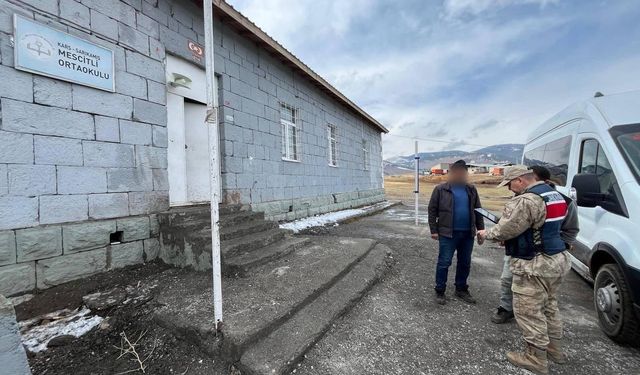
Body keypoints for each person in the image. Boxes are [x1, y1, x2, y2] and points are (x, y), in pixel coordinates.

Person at [477, 166, 572, 375]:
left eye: (510, 184)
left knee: (529, 311)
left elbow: (507, 228)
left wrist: (487, 233)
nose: (510, 189)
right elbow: (541, 227)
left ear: (520, 180)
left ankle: (535, 359)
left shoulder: (527, 200)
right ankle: (554, 350)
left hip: (534, 264)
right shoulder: (555, 195)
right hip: (557, 260)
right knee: (549, 306)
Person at [492, 166, 579, 324]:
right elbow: (515, 226)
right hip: (519, 252)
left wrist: (563, 244)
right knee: (507, 280)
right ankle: (506, 308)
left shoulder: (559, 201)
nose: (510, 189)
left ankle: (535, 337)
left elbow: (570, 229)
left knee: (532, 307)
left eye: (510, 184)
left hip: (536, 260)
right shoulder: (523, 197)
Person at [428, 160, 485, 305]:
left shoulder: (471, 189)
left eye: (463, 173)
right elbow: (432, 210)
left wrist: (481, 229)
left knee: (465, 262)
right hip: (448, 233)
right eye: (457, 172)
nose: (460, 175)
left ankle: (461, 289)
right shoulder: (441, 189)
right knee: (444, 262)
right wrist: (433, 230)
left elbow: (478, 210)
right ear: (452, 173)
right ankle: (440, 290)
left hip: (467, 234)